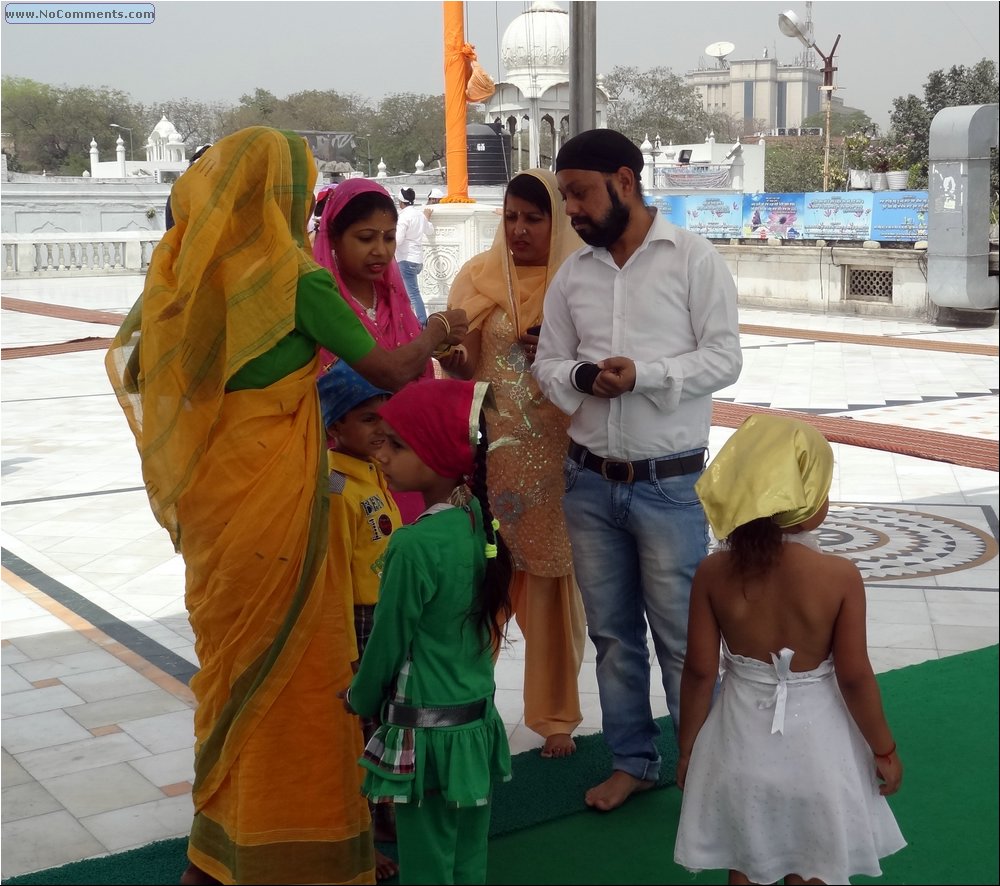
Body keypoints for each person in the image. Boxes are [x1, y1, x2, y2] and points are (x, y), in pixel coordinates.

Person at [104, 126, 467, 886]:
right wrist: (435, 332)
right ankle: (296, 852)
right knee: (297, 672)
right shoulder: (293, 279)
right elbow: (391, 369)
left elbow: (147, 373)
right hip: (273, 506)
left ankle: (213, 855)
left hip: (213, 502)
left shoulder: (180, 275)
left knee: (231, 670)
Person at [532, 128, 743, 811]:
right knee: (614, 638)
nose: (573, 211)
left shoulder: (693, 259)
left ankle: (704, 769)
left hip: (672, 486)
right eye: (566, 197)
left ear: (625, 181)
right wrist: (584, 377)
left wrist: (645, 375)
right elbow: (547, 365)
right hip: (589, 483)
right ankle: (633, 760)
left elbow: (724, 359)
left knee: (683, 641)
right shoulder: (574, 274)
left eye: (581, 194)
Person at [674, 414, 906, 884]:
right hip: (818, 752)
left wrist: (688, 749)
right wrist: (884, 747)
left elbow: (699, 671)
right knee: (814, 862)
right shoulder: (838, 577)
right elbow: (855, 676)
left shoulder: (713, 573)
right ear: (804, 499)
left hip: (737, 745)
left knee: (746, 858)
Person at [341, 378, 514, 885]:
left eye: (396, 444)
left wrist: (359, 696)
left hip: (425, 734)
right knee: (467, 856)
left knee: (426, 863)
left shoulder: (412, 545)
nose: (383, 455)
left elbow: (387, 642)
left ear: (437, 454)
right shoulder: (476, 520)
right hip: (475, 723)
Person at [441, 169, 586, 759]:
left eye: (534, 217)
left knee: (550, 591)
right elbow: (459, 369)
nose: (521, 229)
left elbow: (597, 363)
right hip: (491, 465)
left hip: (556, 462)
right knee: (484, 582)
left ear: (556, 222)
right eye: (511, 217)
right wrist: (448, 350)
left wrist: (561, 348)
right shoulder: (477, 278)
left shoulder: (579, 282)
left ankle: (553, 717)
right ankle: (469, 701)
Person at [313, 178, 450, 523]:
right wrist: (436, 332)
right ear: (335, 238)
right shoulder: (321, 304)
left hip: (404, 462)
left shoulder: (394, 299)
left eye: (389, 237)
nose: (380, 250)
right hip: (342, 468)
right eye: (365, 238)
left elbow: (415, 377)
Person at [317, 360, 401, 881]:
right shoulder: (335, 489)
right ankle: (362, 838)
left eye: (384, 418)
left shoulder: (373, 473)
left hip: (386, 612)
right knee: (365, 730)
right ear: (334, 430)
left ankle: (389, 810)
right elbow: (336, 579)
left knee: (390, 719)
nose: (382, 429)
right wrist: (348, 647)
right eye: (368, 419)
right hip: (361, 620)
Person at [394, 186, 433, 327]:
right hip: (417, 260)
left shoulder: (403, 217)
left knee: (412, 294)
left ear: (400, 202)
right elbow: (430, 231)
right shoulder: (419, 215)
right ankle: (408, 322)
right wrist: (427, 219)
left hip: (406, 259)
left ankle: (422, 323)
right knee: (406, 293)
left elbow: (397, 240)